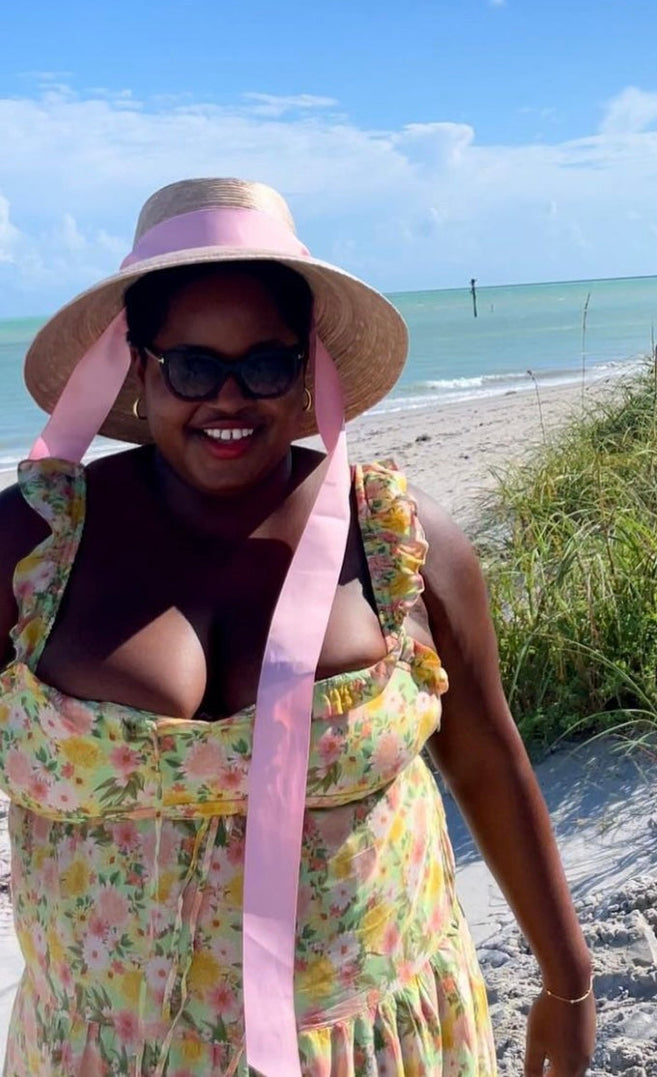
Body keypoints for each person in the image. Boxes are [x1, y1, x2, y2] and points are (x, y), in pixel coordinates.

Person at [0, 178, 595, 1076]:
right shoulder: (31, 548)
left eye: (266, 364)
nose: (228, 399)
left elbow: (486, 756)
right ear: (137, 364)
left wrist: (569, 980)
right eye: (193, 367)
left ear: (308, 366)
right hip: (101, 1049)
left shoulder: (402, 542)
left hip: (373, 1041)